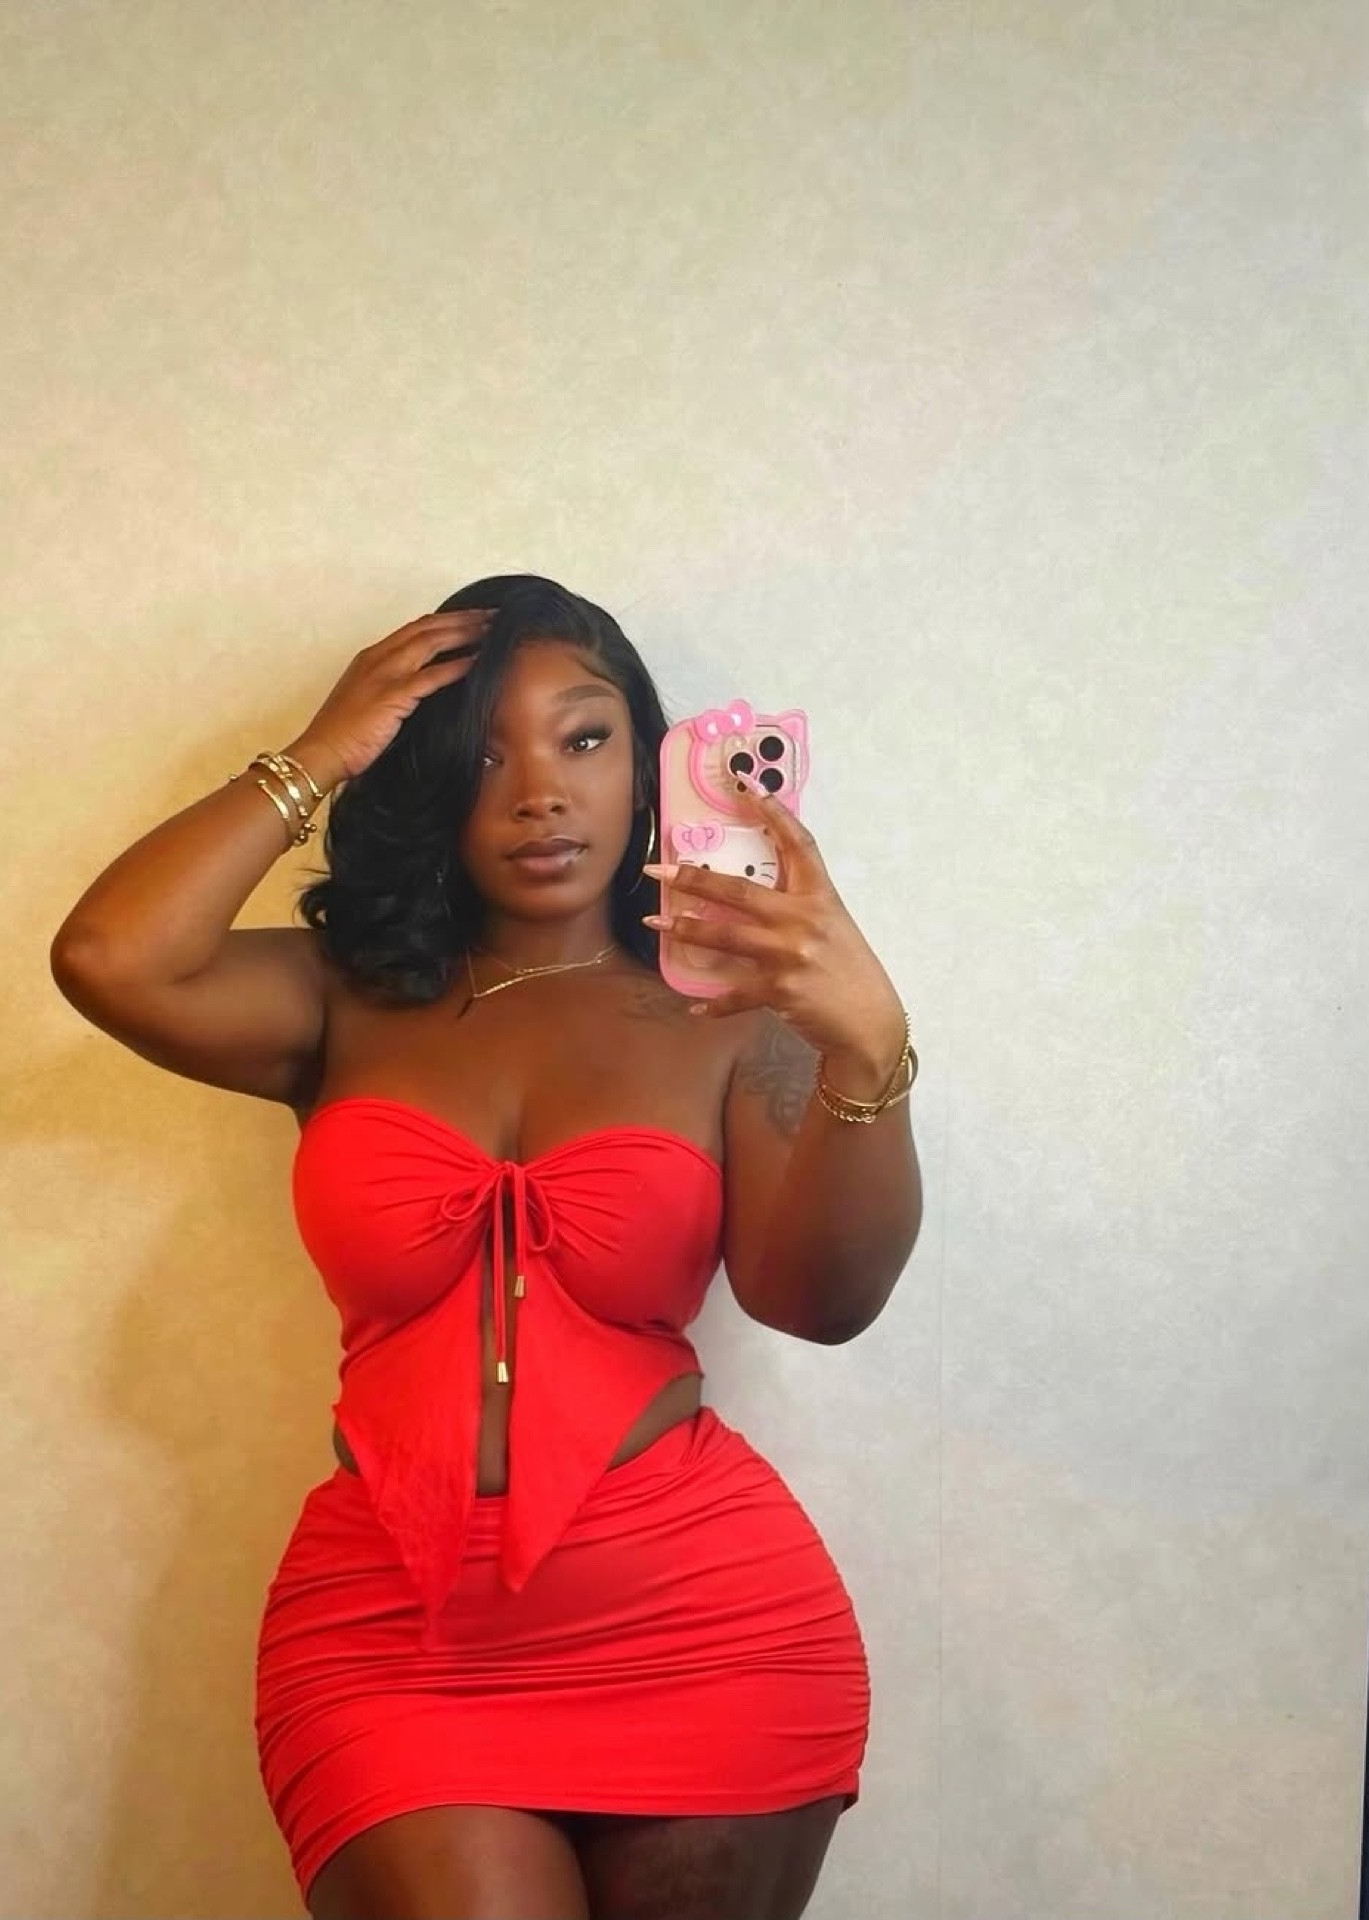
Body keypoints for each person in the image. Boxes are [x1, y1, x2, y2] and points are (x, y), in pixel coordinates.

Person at [50, 573, 922, 1920]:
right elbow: (111, 957)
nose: (538, 793)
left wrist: (867, 1047)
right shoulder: (340, 1001)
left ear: (648, 761)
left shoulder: (734, 1016)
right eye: (481, 755)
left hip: (704, 1626)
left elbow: (820, 1300)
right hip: (391, 1641)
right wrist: (317, 751)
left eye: (584, 737)